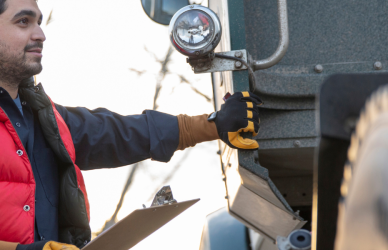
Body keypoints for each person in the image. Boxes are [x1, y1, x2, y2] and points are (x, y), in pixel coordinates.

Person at [0, 0, 262, 249]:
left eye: (39, 22)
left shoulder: (43, 117)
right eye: (23, 21)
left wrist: (215, 125)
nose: (40, 34)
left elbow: (118, 134)